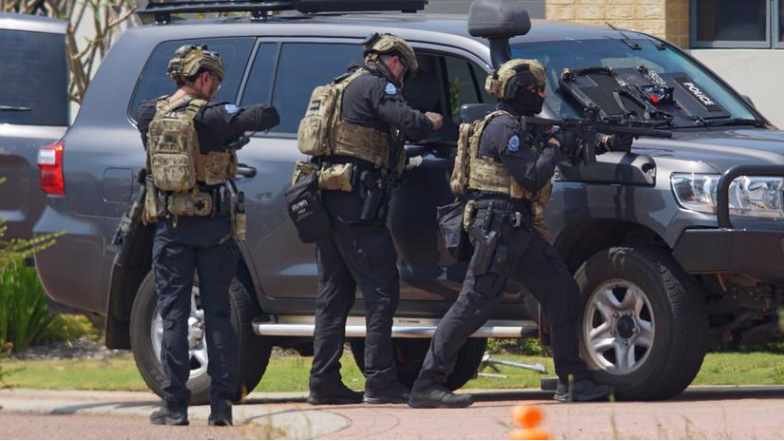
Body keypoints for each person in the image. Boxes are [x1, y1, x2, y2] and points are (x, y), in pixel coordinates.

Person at [408, 59, 610, 408]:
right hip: (499, 229)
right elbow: (531, 177)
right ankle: (426, 384)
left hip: (515, 230)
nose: (540, 95)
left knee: (562, 293)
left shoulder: (518, 126)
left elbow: (556, 150)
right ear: (515, 91)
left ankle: (572, 381)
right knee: (472, 305)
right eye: (533, 89)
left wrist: (594, 141)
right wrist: (554, 146)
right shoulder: (503, 128)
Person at [135, 44, 279, 426]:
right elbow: (266, 115)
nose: (215, 89)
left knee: (174, 315)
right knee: (218, 315)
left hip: (170, 228)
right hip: (214, 230)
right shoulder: (214, 116)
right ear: (203, 78)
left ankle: (174, 407)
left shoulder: (150, 113)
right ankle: (220, 408)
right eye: (214, 82)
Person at [305, 33, 444, 405]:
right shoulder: (377, 85)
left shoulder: (342, 85)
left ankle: (323, 381)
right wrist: (431, 120)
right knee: (382, 290)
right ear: (395, 61)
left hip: (329, 198)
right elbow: (408, 122)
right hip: (357, 206)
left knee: (333, 294)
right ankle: (380, 382)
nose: (402, 80)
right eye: (404, 73)